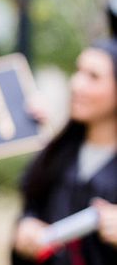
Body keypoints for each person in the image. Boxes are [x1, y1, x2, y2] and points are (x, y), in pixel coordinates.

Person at [11, 37, 117, 264]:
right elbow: (31, 210)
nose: (77, 84)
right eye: (78, 71)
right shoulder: (56, 154)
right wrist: (24, 231)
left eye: (94, 77)